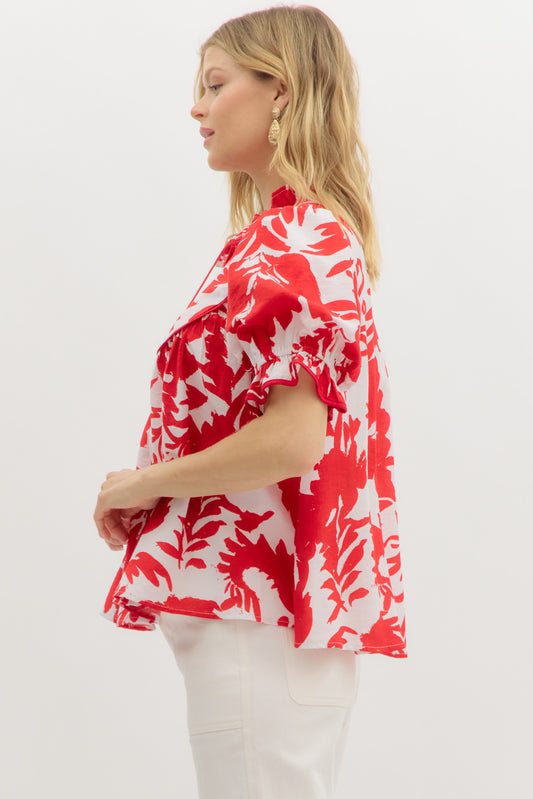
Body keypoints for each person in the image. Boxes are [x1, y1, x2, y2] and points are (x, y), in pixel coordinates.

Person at [94, 5, 407, 798]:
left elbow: (292, 439)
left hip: (257, 623)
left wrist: (142, 482)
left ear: (281, 92)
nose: (195, 108)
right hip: (262, 623)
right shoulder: (287, 236)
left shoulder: (295, 238)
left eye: (215, 84)